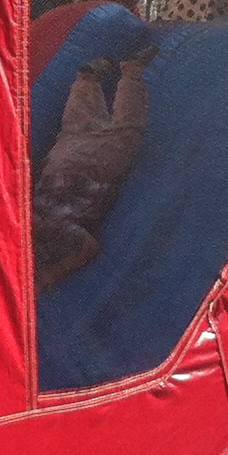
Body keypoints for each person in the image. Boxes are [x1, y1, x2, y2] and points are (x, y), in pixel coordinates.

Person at [33, 51, 154, 288]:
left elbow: (87, 246)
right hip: (56, 167)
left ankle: (132, 71)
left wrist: (53, 275)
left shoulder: (41, 238)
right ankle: (86, 81)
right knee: (80, 126)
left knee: (127, 133)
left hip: (85, 175)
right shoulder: (28, 235)